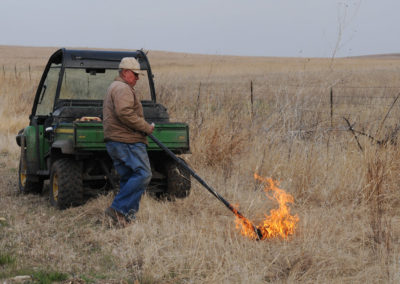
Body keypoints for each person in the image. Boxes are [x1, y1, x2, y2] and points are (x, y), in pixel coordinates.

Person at [103, 57, 154, 227]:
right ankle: (118, 209)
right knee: (143, 174)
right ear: (125, 73)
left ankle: (125, 219)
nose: (138, 78)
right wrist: (145, 127)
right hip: (127, 141)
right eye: (135, 74)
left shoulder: (115, 87)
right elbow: (125, 113)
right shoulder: (123, 89)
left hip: (115, 141)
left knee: (128, 177)